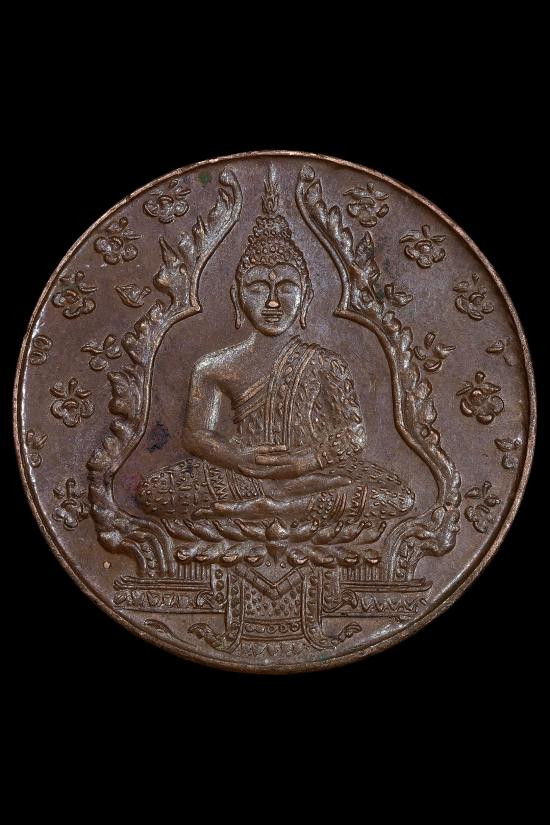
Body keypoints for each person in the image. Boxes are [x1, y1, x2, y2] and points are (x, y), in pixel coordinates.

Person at [137, 171, 414, 530]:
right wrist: (237, 458)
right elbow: (196, 435)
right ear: (237, 296)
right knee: (154, 491)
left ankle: (268, 505)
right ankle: (282, 503)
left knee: (398, 496)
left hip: (312, 473)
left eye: (285, 286)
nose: (272, 302)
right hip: (243, 474)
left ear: (306, 296)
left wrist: (304, 462)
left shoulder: (326, 363)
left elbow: (354, 435)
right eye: (257, 288)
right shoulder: (213, 366)